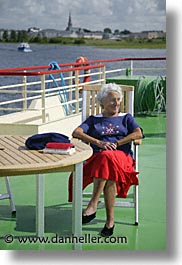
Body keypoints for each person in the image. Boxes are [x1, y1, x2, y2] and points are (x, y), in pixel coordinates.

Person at [68, 83, 143, 237]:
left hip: (122, 158)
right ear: (102, 103)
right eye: (112, 100)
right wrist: (98, 143)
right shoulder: (94, 119)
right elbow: (76, 132)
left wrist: (117, 143)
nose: (116, 103)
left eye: (118, 99)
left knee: (107, 158)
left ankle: (93, 203)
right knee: (107, 163)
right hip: (97, 160)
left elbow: (138, 134)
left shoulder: (126, 118)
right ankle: (110, 221)